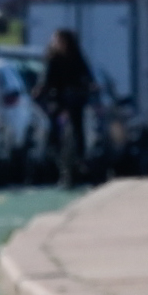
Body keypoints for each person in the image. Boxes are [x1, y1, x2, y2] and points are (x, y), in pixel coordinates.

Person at [37, 27, 95, 185]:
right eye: (57, 41)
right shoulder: (52, 59)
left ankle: (81, 157)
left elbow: (87, 76)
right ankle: (53, 153)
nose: (59, 44)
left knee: (78, 128)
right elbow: (46, 81)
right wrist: (40, 91)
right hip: (58, 100)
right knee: (53, 127)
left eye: (62, 41)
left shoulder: (77, 58)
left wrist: (90, 86)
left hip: (74, 101)